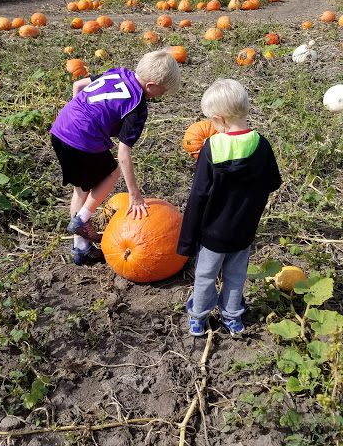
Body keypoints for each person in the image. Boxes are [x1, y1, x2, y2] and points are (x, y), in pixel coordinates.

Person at [51, 50, 181, 265]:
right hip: (83, 138)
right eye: (163, 91)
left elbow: (78, 86)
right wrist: (134, 195)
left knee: (81, 189)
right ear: (150, 86)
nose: (162, 95)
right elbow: (123, 152)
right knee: (111, 172)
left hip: (61, 128)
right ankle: (82, 220)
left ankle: (80, 248)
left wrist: (79, 113)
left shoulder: (117, 73)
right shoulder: (137, 107)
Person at [177, 79, 281, 337]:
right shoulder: (262, 144)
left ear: (219, 119)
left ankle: (198, 319)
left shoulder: (212, 148)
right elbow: (273, 182)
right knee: (235, 276)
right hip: (244, 231)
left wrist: (187, 239)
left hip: (213, 233)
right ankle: (233, 318)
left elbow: (199, 196)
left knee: (205, 276)